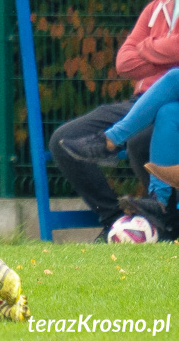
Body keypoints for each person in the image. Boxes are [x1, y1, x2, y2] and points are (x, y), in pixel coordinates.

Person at [50, 0, 179, 241]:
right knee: (63, 141)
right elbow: (124, 63)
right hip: (141, 101)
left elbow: (150, 55)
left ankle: (113, 144)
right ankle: (115, 219)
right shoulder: (156, 8)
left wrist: (148, 49)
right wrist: (164, 50)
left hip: (170, 102)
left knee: (144, 130)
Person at [60, 68, 179, 236]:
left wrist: (150, 50)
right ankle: (160, 203)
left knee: (175, 77)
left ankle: (109, 141)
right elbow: (125, 62)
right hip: (149, 99)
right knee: (169, 112)